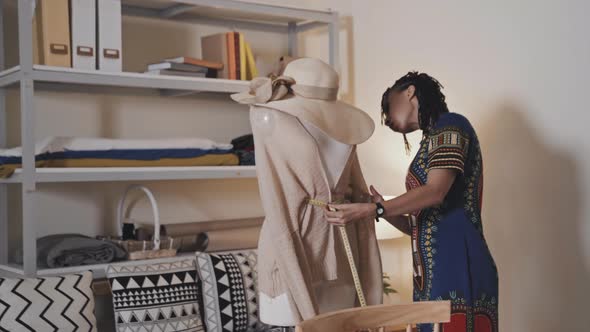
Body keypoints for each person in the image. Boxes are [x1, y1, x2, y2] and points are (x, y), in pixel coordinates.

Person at [325, 72, 499, 332]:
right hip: (432, 275)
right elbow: (418, 225)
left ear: (409, 92)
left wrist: (375, 208)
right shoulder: (430, 141)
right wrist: (382, 210)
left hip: (459, 265)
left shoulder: (451, 125)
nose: (386, 120)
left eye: (388, 106)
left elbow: (435, 192)